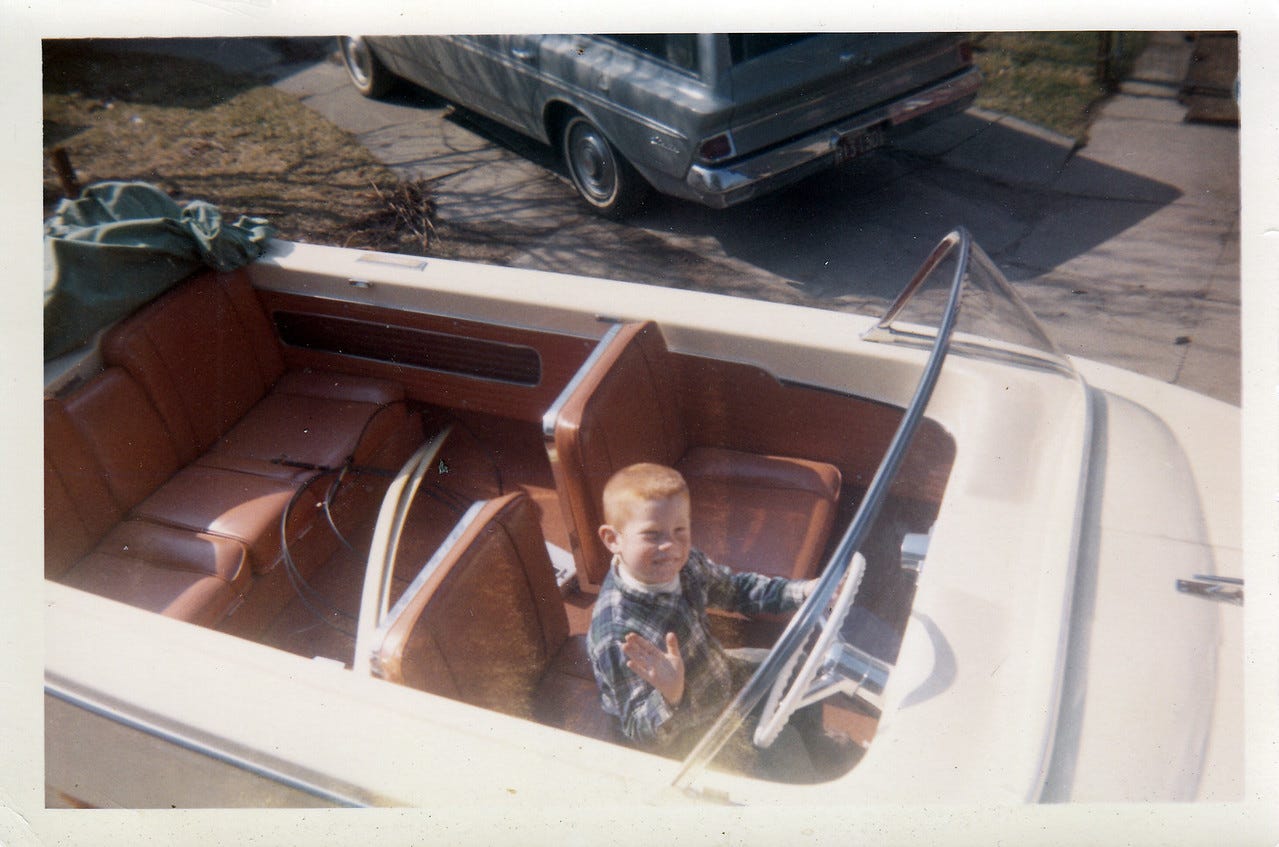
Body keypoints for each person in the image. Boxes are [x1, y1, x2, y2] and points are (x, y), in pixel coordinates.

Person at [586, 462, 836, 781]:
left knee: (800, 670)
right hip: (689, 733)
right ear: (613, 539)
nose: (671, 547)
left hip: (714, 673)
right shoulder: (618, 633)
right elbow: (638, 730)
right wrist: (669, 695)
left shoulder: (684, 563)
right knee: (785, 748)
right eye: (652, 535)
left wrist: (803, 592)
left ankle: (820, 748)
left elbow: (734, 590)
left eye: (680, 531)